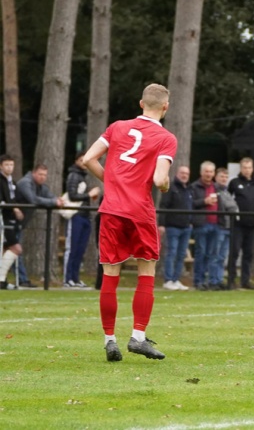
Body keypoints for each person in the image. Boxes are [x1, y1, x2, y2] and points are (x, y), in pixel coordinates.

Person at [83, 83, 177, 362]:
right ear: (165, 107)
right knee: (145, 271)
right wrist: (166, 184)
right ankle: (137, 337)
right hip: (139, 211)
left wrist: (112, 182)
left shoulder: (117, 127)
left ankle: (109, 340)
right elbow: (160, 179)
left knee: (110, 275)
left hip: (111, 209)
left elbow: (88, 158)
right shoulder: (166, 138)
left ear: (140, 104)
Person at [16, 163, 64, 287]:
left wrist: (57, 200)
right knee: (14, 249)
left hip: (20, 223)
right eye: (40, 174)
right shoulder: (25, 183)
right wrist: (54, 202)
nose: (43, 177)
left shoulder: (40, 186)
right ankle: (22, 279)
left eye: (45, 175)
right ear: (33, 173)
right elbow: (33, 199)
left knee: (13, 250)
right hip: (11, 221)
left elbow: (49, 195)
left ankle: (20, 279)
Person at [64, 151, 101, 288]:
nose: (83, 163)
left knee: (80, 249)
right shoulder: (74, 175)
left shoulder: (83, 176)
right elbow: (73, 195)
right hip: (76, 215)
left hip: (85, 216)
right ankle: (68, 278)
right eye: (81, 160)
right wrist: (89, 195)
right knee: (72, 248)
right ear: (76, 161)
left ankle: (75, 278)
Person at [227, 157, 254, 290]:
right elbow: (229, 200)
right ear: (241, 168)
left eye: (249, 167)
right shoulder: (234, 183)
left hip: (252, 224)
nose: (247, 170)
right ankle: (231, 280)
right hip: (238, 224)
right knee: (234, 252)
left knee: (248, 253)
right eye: (245, 168)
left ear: (253, 169)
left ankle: (245, 280)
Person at [158, 165, 192, 291]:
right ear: (177, 173)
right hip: (172, 226)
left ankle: (176, 279)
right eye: (182, 173)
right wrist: (162, 224)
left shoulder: (188, 189)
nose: (184, 175)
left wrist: (191, 221)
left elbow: (191, 206)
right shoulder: (171, 187)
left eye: (186, 173)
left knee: (181, 254)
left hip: (186, 226)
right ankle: (168, 280)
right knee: (171, 253)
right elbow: (163, 206)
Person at [190, 161, 221, 290]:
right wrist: (204, 201)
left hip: (216, 224)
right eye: (206, 171)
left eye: (211, 172)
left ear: (214, 173)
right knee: (200, 253)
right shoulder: (194, 187)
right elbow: (190, 203)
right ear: (201, 172)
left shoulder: (217, 187)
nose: (208, 174)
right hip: (201, 224)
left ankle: (210, 281)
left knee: (212, 254)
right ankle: (198, 281)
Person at [0, 154, 24, 290]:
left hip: (10, 219)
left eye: (11, 165)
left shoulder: (12, 182)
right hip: (3, 218)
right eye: (7, 165)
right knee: (16, 248)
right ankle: (1, 279)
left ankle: (2, 280)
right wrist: (14, 208)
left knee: (5, 249)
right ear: (1, 166)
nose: (10, 168)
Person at [211, 168, 238, 289]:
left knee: (222, 257)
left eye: (226, 177)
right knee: (215, 255)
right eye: (222, 177)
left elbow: (234, 206)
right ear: (216, 177)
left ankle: (219, 279)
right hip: (219, 226)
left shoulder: (226, 192)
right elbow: (229, 205)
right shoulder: (214, 190)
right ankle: (213, 280)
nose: (224, 179)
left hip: (228, 227)